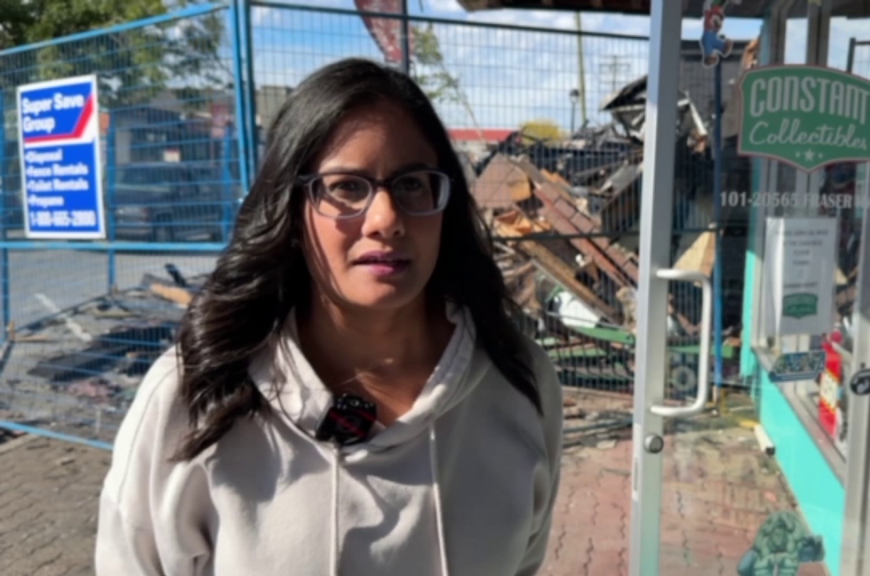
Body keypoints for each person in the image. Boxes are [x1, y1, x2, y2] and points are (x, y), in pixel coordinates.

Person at [95, 58, 563, 576]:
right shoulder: (193, 398)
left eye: (411, 185)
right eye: (346, 187)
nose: (386, 220)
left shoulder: (519, 381)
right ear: (290, 209)